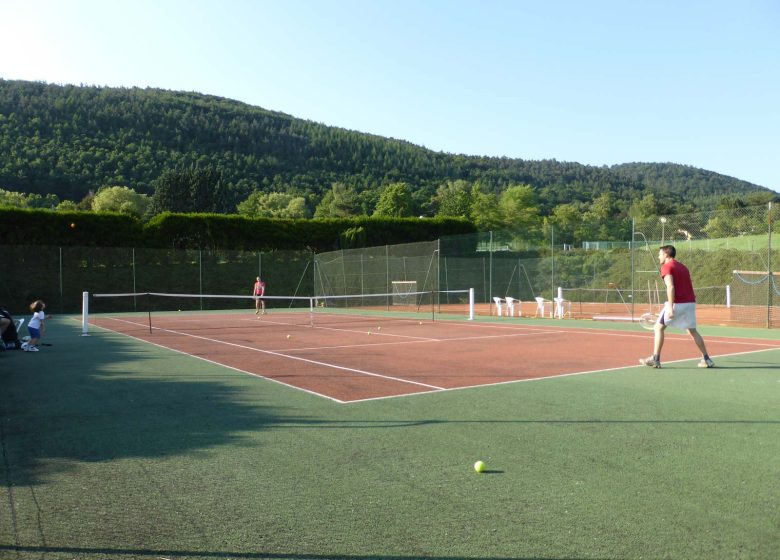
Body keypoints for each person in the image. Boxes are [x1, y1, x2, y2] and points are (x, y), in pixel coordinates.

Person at [640, 245, 714, 369]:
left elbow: (671, 287)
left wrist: (670, 307)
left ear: (666, 255)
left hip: (677, 303)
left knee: (658, 328)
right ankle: (707, 359)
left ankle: (655, 359)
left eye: (660, 254)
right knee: (692, 331)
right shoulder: (683, 267)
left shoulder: (666, 267)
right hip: (690, 303)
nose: (658, 256)